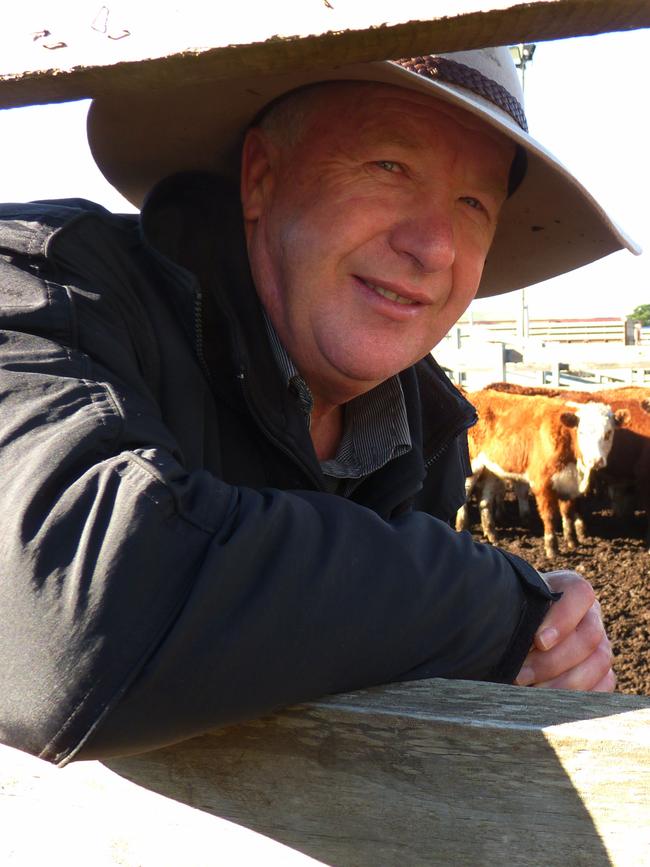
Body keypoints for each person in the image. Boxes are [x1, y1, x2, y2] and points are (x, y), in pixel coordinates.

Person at [0, 47, 637, 767]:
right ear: (261, 179)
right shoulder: (39, 289)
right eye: (390, 167)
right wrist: (496, 601)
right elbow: (66, 620)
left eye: (474, 204)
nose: (433, 246)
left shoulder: (428, 432)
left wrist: (543, 649)